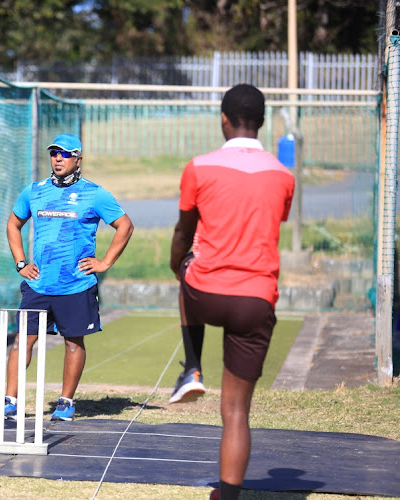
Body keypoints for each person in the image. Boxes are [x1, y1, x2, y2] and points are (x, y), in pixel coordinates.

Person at [168, 84, 294, 500]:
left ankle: (192, 368)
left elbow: (183, 231)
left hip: (205, 291)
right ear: (261, 122)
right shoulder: (283, 175)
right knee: (237, 411)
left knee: (186, 267)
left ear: (223, 119)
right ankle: (229, 496)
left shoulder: (199, 167)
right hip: (256, 299)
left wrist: (177, 267)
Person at [0, 133, 134, 422]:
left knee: (73, 343)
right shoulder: (34, 191)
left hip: (76, 285)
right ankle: (10, 402)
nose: (58, 158)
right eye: (54, 153)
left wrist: (105, 262)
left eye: (65, 154)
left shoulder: (95, 194)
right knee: (21, 342)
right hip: (39, 285)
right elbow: (14, 224)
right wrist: (20, 263)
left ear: (78, 159)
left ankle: (66, 403)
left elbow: (125, 226)